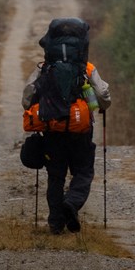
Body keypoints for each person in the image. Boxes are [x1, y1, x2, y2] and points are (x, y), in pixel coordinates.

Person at [22, 19, 111, 235]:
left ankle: (55, 223)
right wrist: (101, 106)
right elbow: (103, 96)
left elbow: (27, 98)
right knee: (83, 172)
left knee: (56, 175)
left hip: (53, 130)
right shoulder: (86, 69)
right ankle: (71, 203)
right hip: (81, 131)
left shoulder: (45, 69)